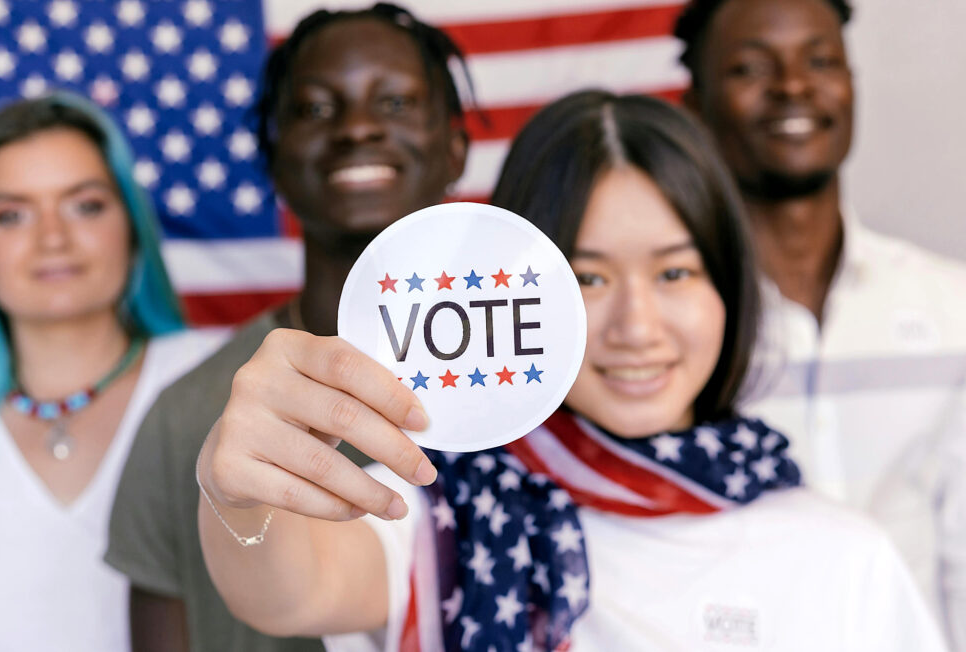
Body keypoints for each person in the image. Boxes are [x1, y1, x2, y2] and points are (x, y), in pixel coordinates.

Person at [195, 91, 946, 651]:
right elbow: (288, 595)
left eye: (676, 274)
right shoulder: (436, 507)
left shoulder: (841, 554)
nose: (636, 328)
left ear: (729, 288)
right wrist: (237, 493)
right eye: (587, 279)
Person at [103, 4, 470, 650]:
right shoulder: (185, 413)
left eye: (395, 103)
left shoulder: (536, 389)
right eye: (317, 109)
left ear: (456, 146)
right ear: (272, 160)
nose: (357, 129)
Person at [674, 0, 966, 644]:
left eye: (821, 60)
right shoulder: (665, 332)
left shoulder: (953, 310)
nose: (794, 86)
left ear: (852, 85)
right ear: (694, 105)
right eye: (752, 67)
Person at [0, 92, 226, 651]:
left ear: (132, 227)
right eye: (11, 215)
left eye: (85, 205)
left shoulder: (225, 380)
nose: (53, 238)